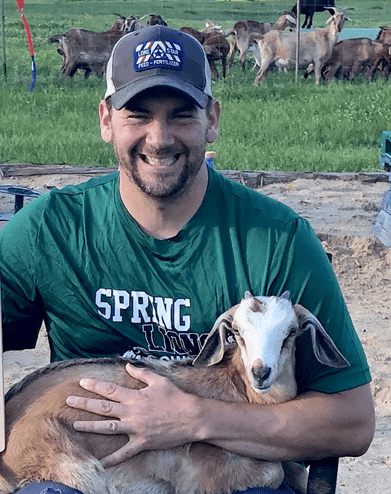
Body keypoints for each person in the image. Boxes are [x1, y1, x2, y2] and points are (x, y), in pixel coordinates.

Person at [0, 25, 375, 494]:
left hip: (228, 471)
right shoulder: (49, 229)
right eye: (137, 115)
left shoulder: (276, 240)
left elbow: (353, 422)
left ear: (212, 119)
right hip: (88, 470)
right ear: (105, 120)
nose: (159, 138)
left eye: (181, 115)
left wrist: (194, 418)